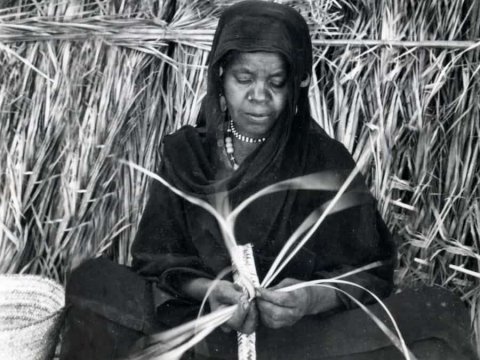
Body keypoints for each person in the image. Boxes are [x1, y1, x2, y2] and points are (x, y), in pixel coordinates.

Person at [60, 1, 477, 359]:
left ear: (295, 86)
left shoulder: (323, 160)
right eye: (244, 79)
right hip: (205, 329)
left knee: (439, 313)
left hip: (302, 338)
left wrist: (310, 298)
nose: (259, 96)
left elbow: (371, 270)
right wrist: (211, 291)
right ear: (220, 77)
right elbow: (156, 260)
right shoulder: (185, 154)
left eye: (276, 82)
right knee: (92, 282)